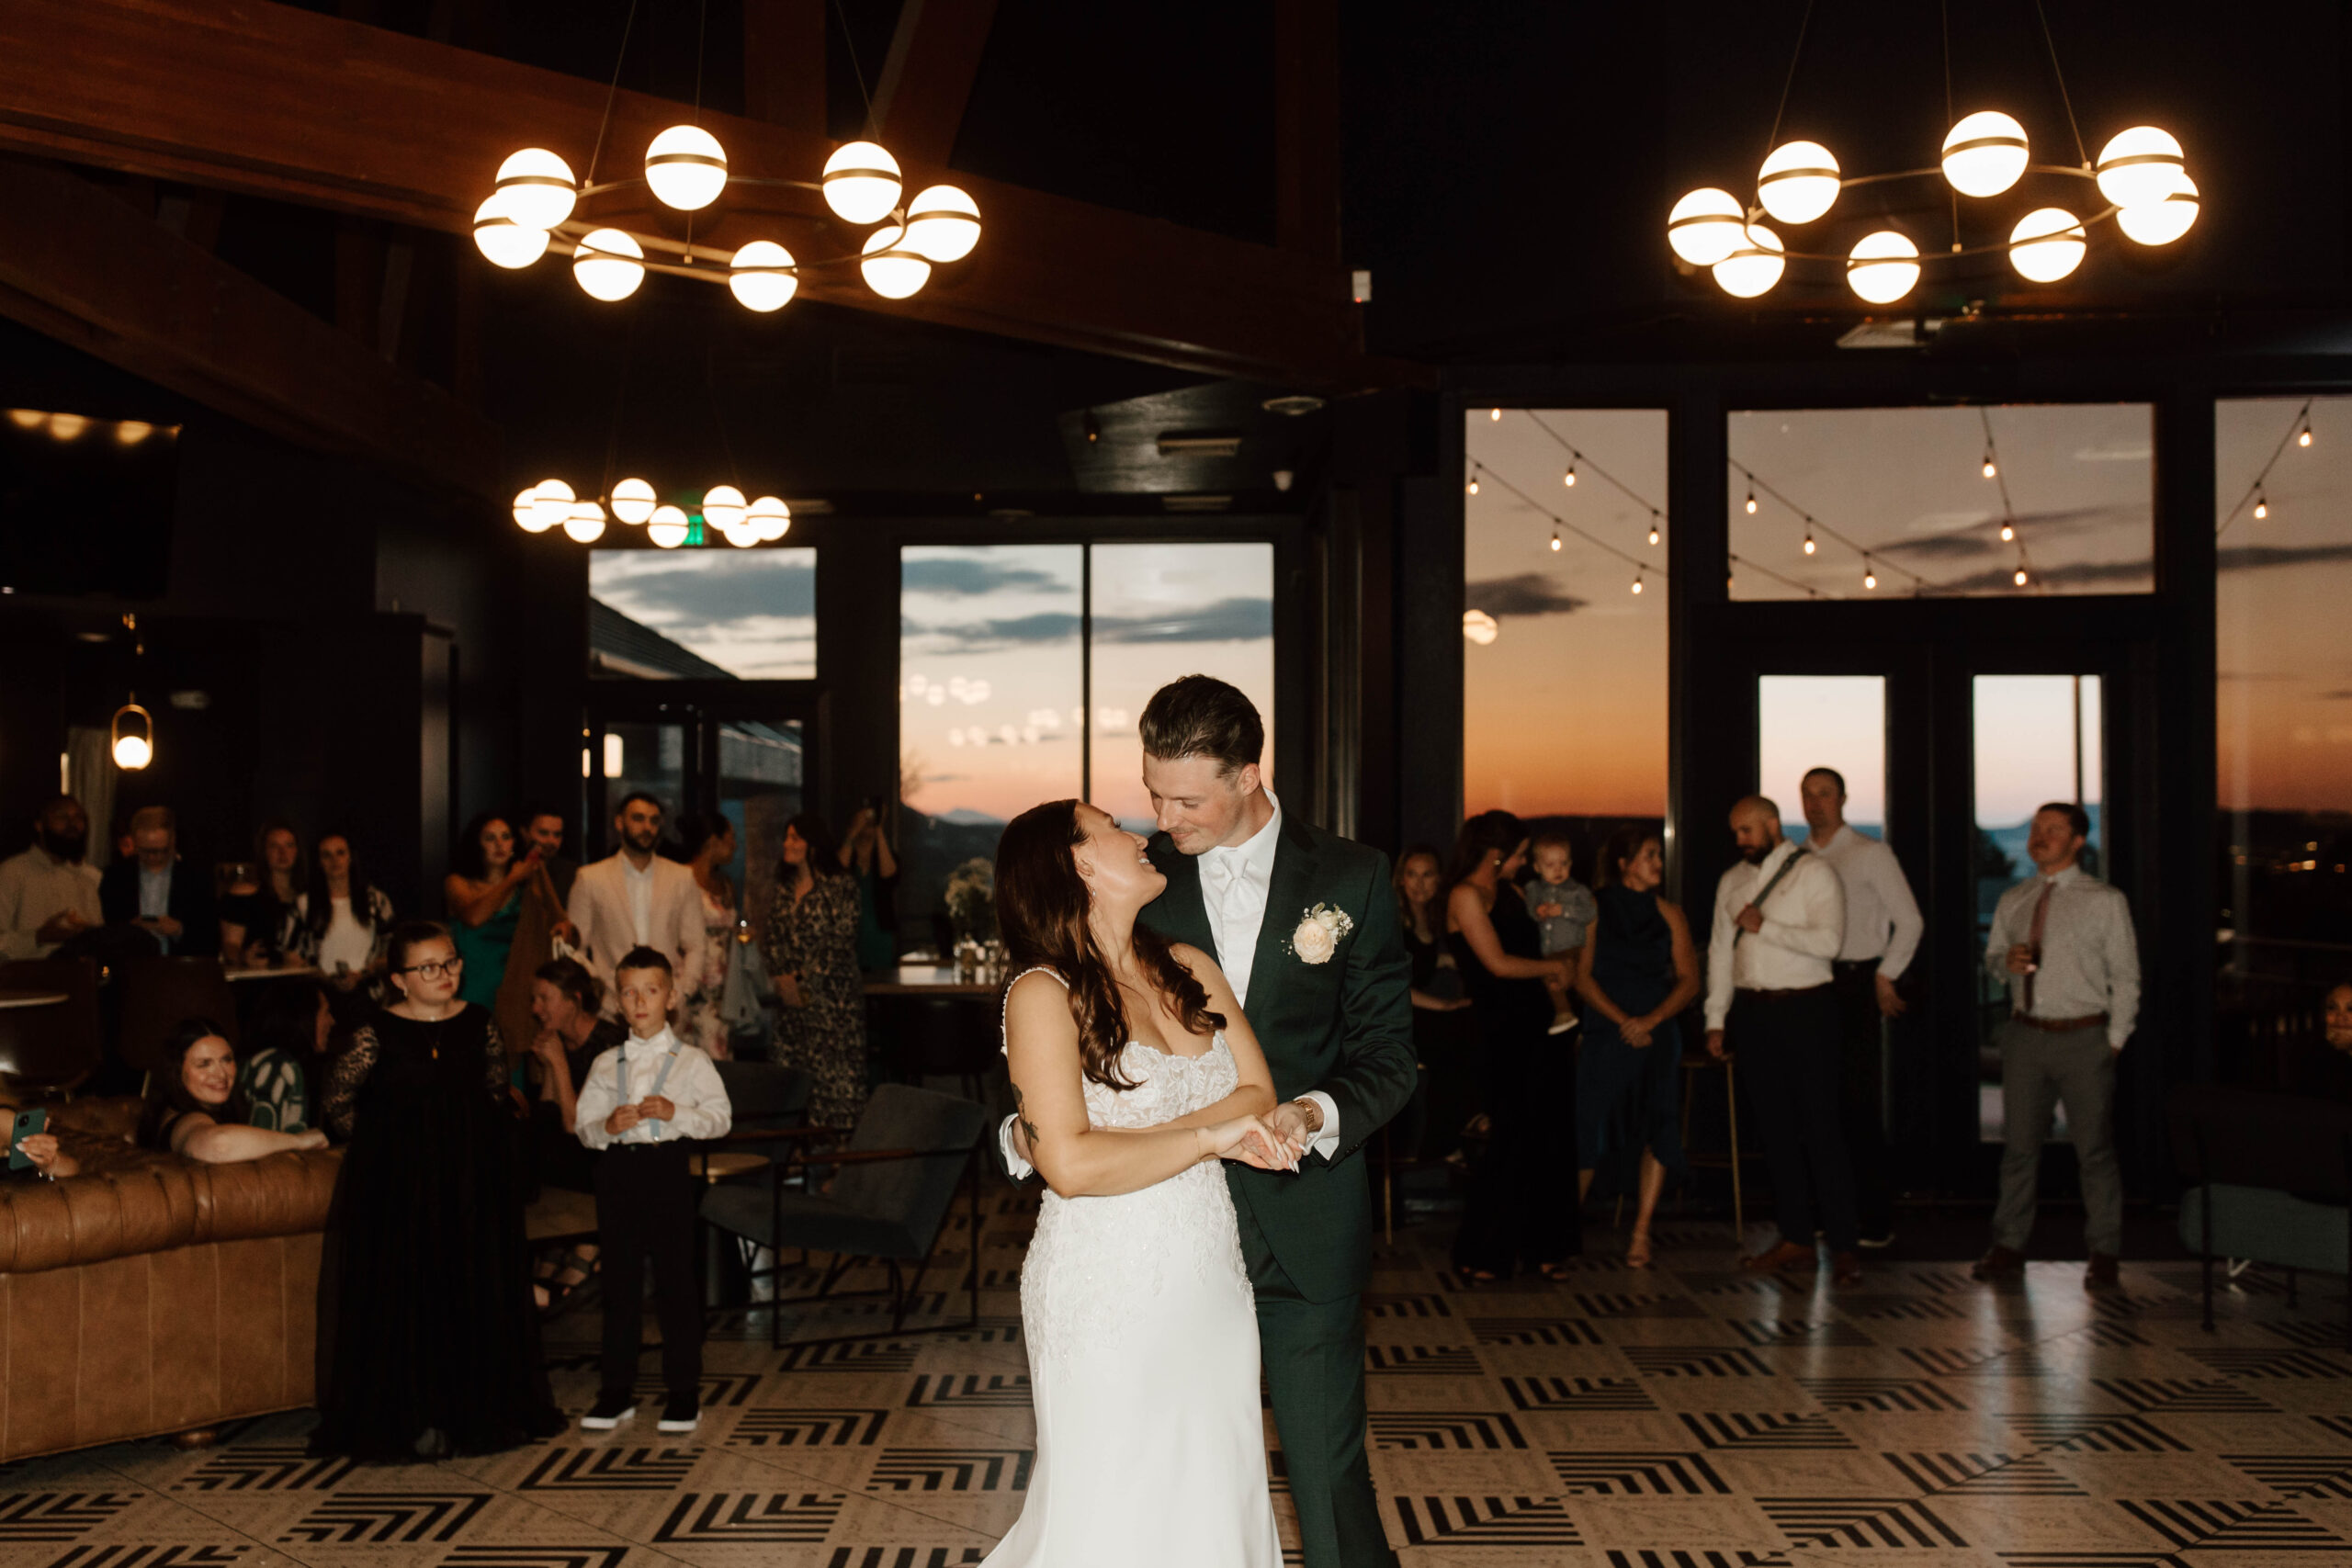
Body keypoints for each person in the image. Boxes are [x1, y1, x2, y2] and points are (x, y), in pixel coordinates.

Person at [1003, 675, 1417, 1568]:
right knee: (1148, 1482)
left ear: (1246, 775)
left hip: (1302, 1215)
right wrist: (1031, 1126)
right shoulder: (1143, 880)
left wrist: (1310, 1113)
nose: (1162, 814)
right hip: (1149, 1244)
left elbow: (1389, 1054)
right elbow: (1074, 1043)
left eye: (1184, 798)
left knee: (1323, 1472)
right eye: (1150, 793)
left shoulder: (1352, 878)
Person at [985, 798, 1294, 1568]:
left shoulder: (1190, 967)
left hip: (1208, 1276)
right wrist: (1205, 1137)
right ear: (1079, 863)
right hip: (1106, 1283)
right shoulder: (1040, 994)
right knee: (1115, 1506)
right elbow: (1071, 1166)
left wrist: (1158, 1138)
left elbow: (1258, 1094)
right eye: (1112, 827)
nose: (1140, 835)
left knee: (1213, 1488)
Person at [310, 922, 565, 1458]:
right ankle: (413, 1418)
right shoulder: (374, 1032)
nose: (444, 974)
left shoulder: (479, 1023)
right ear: (400, 979)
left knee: (470, 1287)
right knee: (407, 1296)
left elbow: (495, 1093)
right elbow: (337, 1103)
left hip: (472, 1184)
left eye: (450, 962)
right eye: (428, 967)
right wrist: (388, 1149)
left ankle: (471, 1411)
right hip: (398, 1189)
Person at [1973, 802, 2141, 1290]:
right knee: (2018, 1151)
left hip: (2084, 1038)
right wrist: (2008, 963)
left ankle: (2105, 1251)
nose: (2039, 836)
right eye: (2035, 828)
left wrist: (2112, 1041)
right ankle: (2008, 1245)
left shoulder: (2105, 900)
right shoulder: (2016, 898)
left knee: (2095, 1153)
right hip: (2026, 1035)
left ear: (2077, 841)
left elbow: (2127, 977)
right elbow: (1993, 961)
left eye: (2053, 829)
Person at [572, 947, 732, 1435]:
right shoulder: (605, 1063)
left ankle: (683, 1393)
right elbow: (582, 1128)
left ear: (671, 998)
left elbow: (720, 1119)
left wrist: (676, 1115)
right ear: (618, 1003)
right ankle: (615, 1392)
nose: (640, 1001)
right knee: (618, 1285)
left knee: (674, 1285)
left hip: (666, 1172)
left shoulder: (692, 1061)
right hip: (618, 1173)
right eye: (629, 992)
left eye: (651, 990)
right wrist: (607, 1125)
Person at [1703, 795, 1860, 1284]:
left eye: (1746, 830)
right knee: (1773, 1131)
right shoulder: (1731, 881)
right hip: (1753, 1013)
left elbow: (1830, 943)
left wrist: (1767, 927)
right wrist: (1716, 1017)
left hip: (1806, 1010)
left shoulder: (1813, 874)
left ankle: (1844, 1245)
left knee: (1821, 1129)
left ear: (1772, 824)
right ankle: (1795, 1238)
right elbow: (1719, 953)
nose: (1740, 840)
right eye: (1735, 832)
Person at [1445, 810, 1581, 1282]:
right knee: (1509, 1140)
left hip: (1539, 1030)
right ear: (1498, 852)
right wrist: (1549, 971)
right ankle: (1481, 1252)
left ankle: (1544, 1249)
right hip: (1498, 1032)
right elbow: (1498, 964)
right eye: (1522, 854)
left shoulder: (1515, 892)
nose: (1525, 862)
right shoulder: (1465, 895)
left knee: (1548, 1138)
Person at [1799, 766, 1925, 1250]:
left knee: (1857, 1105)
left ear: (1844, 799)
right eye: (1808, 795)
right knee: (1814, 1105)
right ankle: (1819, 1215)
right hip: (1809, 985)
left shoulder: (1871, 854)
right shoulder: (1798, 858)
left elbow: (1910, 921)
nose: (1816, 804)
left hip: (1854, 985)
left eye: (1825, 794)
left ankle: (1872, 1220)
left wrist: (1885, 973)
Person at [1574, 827, 1701, 1268]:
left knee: (1659, 1126)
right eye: (1650, 856)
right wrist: (1621, 1020)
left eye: (1658, 857)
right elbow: (1581, 975)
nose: (1659, 865)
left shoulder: (1670, 913)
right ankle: (1566, 1230)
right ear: (1625, 863)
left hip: (1657, 1033)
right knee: (1587, 1125)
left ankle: (1641, 1233)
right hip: (1608, 1031)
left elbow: (1689, 979)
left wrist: (1651, 1020)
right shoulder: (1592, 909)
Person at [525, 957, 620, 1312]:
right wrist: (551, 1063)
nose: (536, 1009)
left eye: (544, 999)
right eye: (534, 999)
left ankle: (588, 1242)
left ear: (573, 1000)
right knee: (535, 1135)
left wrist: (561, 1065)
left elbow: (578, 1124)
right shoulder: (561, 1040)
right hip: (575, 1150)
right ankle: (555, 1242)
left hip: (611, 1153)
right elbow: (550, 1113)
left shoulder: (609, 1044)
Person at [762, 813, 866, 1131]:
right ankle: (795, 1156)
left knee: (834, 1082)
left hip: (831, 1004)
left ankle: (837, 1160)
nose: (788, 844)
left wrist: (803, 980)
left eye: (796, 837)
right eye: (787, 837)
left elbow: (840, 942)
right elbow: (774, 937)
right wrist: (782, 979)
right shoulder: (783, 888)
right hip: (789, 1006)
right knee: (790, 1080)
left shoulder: (840, 886)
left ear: (813, 844)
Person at [565, 793, 705, 1014]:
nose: (647, 827)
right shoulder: (590, 878)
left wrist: (683, 990)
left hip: (667, 1005)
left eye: (654, 820)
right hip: (611, 1006)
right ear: (619, 822)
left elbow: (696, 943)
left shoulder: (682, 877)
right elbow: (575, 948)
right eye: (638, 818)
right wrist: (599, 988)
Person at [137, 1018, 328, 1161]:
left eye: (226, 1060)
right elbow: (219, 1145)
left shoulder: (204, 1110)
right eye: (204, 1064)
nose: (221, 1074)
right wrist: (299, 1141)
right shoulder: (187, 1119)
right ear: (177, 1073)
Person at [1396, 844, 1476, 1165]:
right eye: (1411, 875)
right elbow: (1397, 986)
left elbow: (1427, 959)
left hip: (1422, 1014)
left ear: (1439, 879)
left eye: (1427, 875)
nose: (1419, 884)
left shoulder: (1433, 918)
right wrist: (1446, 1006)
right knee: (1455, 1031)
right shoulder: (1393, 920)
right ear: (1400, 880)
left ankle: (1457, 1129)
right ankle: (1446, 1138)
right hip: (1398, 1014)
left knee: (1472, 1024)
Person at [283, 832, 395, 1010]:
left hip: (368, 994)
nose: (334, 860)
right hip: (318, 998)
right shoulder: (304, 905)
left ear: (351, 857)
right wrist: (324, 977)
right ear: (319, 862)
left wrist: (362, 975)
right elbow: (290, 956)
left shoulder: (376, 901)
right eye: (326, 855)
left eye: (340, 853)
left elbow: (392, 952)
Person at [444, 812, 538, 1012]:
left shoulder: (527, 889)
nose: (499, 844)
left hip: (515, 986)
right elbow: (474, 918)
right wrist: (511, 879)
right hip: (471, 985)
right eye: (490, 838)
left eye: (505, 837)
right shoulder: (458, 883)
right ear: (477, 844)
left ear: (514, 843)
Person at [99, 807, 219, 956]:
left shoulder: (196, 877)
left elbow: (211, 934)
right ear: (134, 842)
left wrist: (179, 930)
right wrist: (129, 930)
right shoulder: (116, 877)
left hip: (181, 968)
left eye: (161, 850)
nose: (153, 857)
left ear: (173, 840)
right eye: (145, 850)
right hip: (130, 968)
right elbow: (106, 932)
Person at [672, 813, 741, 1060]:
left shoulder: (726, 884)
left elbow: (736, 921)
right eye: (731, 837)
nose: (735, 845)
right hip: (691, 980)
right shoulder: (680, 878)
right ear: (714, 841)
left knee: (718, 1055)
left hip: (722, 987)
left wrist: (744, 929)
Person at [0, 795, 102, 959]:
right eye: (62, 817)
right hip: (24, 982)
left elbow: (99, 943)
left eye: (78, 817)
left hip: (79, 981)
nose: (73, 824)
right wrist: (38, 937)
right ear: (39, 825)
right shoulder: (12, 873)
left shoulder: (86, 880)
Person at [1522, 830, 1598, 1035]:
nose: (1558, 870)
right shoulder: (1534, 890)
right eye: (1550, 865)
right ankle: (1568, 1016)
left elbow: (1589, 913)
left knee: (1556, 979)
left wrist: (1563, 910)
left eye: (1563, 864)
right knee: (1551, 980)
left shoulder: (1577, 891)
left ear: (1570, 864)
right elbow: (1529, 909)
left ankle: (1564, 1013)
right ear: (1537, 867)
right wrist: (1538, 912)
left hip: (1570, 947)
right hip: (1547, 950)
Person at [237, 978, 335, 1133]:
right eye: (326, 1012)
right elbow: (264, 1139)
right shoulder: (278, 1067)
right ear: (304, 1017)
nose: (332, 1021)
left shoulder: (272, 1059)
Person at [220, 821, 303, 965]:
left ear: (297, 851)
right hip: (260, 980)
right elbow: (230, 945)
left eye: (289, 845)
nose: (282, 852)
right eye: (274, 846)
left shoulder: (306, 898)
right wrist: (243, 957)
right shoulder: (246, 894)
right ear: (264, 852)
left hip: (301, 979)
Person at [839, 800, 901, 971]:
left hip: (880, 936)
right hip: (848, 938)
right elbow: (835, 875)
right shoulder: (845, 856)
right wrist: (853, 833)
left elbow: (889, 875)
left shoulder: (884, 856)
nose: (867, 824)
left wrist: (879, 827)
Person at [522, 805, 582, 912]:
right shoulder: (512, 869)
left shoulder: (572, 872)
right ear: (525, 833)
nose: (551, 841)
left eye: (557, 835)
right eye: (543, 833)